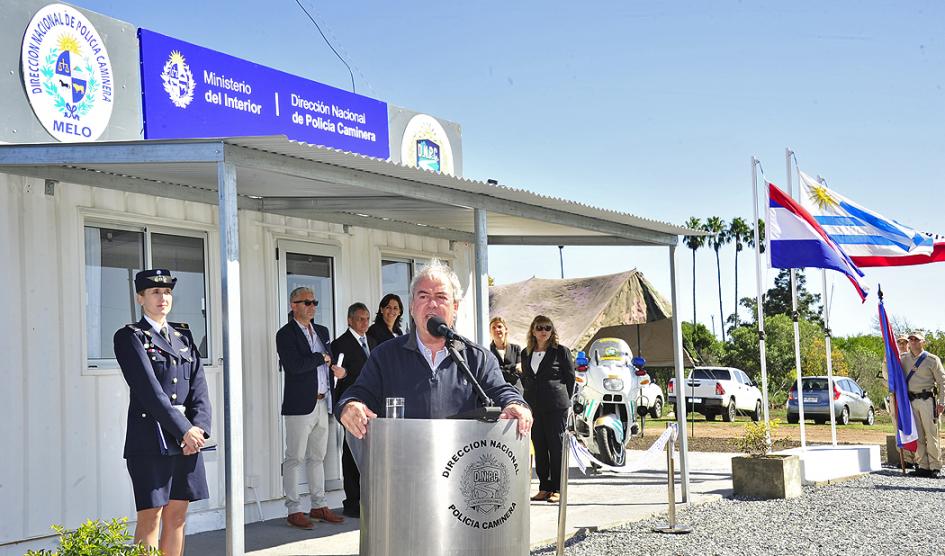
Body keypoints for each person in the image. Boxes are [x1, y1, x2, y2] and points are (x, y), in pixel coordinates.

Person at [337, 260, 532, 437]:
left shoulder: (478, 358)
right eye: (423, 296)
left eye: (441, 297)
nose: (432, 304)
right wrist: (350, 405)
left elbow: (501, 391)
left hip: (462, 469)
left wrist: (516, 404)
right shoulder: (385, 356)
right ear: (412, 307)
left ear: (455, 307)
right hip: (402, 469)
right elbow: (358, 393)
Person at [114, 269, 211, 556]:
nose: (163, 297)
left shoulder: (183, 337)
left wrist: (200, 429)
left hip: (187, 442)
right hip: (151, 440)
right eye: (155, 292)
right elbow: (150, 392)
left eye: (167, 292)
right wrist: (185, 430)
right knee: (151, 517)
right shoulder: (130, 337)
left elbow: (199, 389)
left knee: (178, 514)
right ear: (140, 297)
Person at [277, 287, 347, 529]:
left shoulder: (322, 331)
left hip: (323, 401)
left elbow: (330, 361)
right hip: (299, 405)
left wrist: (338, 370)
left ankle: (318, 504)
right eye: (306, 302)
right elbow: (294, 366)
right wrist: (321, 358)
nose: (312, 306)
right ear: (293, 305)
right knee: (294, 458)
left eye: (314, 302)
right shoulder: (285, 334)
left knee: (317, 457)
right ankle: (293, 509)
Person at [520, 315, 574, 504]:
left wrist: (565, 400)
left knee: (556, 446)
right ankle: (545, 487)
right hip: (533, 406)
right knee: (540, 446)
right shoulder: (525, 353)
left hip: (556, 405)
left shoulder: (561, 352)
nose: (544, 331)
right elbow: (526, 378)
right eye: (540, 327)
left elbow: (570, 379)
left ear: (552, 331)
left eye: (547, 328)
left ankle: (559, 488)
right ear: (533, 331)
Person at [330, 302, 377, 518]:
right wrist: (345, 374)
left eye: (367, 318)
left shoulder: (373, 342)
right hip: (349, 406)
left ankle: (367, 499)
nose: (364, 322)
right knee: (349, 453)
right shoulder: (340, 343)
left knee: (368, 454)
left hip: (371, 406)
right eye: (360, 318)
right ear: (350, 320)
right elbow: (338, 378)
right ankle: (352, 502)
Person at [900, 330, 945, 478]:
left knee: (931, 435)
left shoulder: (932, 360)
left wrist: (942, 402)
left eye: (916, 339)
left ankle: (935, 466)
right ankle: (923, 465)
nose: (913, 341)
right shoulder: (904, 359)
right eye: (911, 339)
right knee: (917, 435)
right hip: (911, 401)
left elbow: (942, 382)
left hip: (927, 400)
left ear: (922, 342)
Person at [489, 316, 524, 395]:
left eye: (499, 327)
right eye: (493, 328)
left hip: (516, 390)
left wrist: (500, 370)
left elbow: (519, 371)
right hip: (498, 391)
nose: (497, 330)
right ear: (490, 332)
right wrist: (512, 369)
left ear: (506, 329)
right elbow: (492, 373)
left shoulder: (516, 348)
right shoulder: (488, 351)